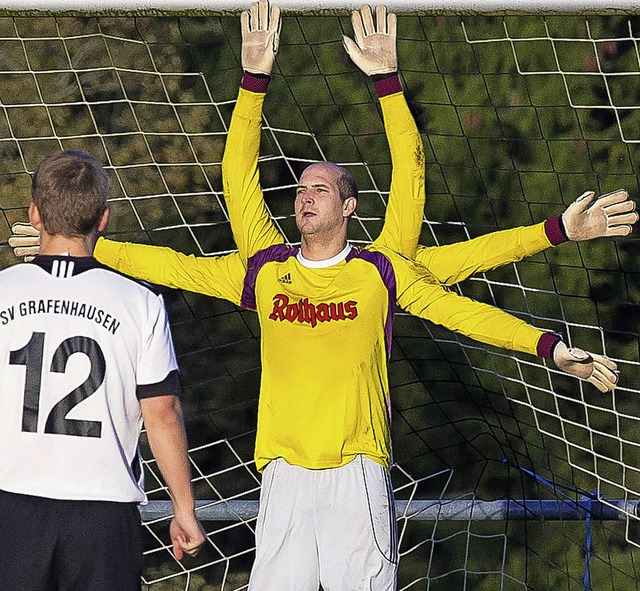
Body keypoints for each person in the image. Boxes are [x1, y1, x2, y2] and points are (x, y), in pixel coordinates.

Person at [6, 6, 624, 590]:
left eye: (322, 188)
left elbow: (461, 296)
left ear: (349, 206)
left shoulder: (383, 272)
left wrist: (549, 346)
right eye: (300, 188)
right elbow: (183, 247)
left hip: (357, 474)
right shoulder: (265, 271)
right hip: (283, 477)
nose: (305, 196)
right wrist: (68, 245)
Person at [0, 150, 206, 591]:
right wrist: (183, 507)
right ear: (103, 219)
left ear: (35, 214)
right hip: (102, 515)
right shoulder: (139, 301)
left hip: (10, 506)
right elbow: (162, 414)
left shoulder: (3, 291)